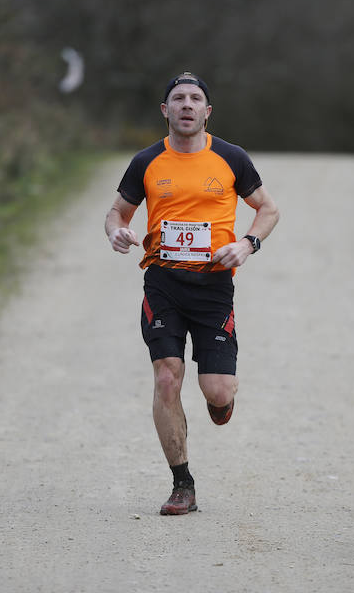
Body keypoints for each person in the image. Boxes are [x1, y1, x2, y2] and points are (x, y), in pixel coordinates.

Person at [104, 72, 279, 515]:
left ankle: (221, 402)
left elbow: (268, 209)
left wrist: (246, 244)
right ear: (165, 111)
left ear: (207, 112)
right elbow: (116, 212)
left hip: (214, 286)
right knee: (167, 375)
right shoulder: (146, 161)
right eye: (177, 99)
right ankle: (183, 483)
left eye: (194, 98)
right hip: (162, 281)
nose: (186, 105)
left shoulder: (231, 157)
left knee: (217, 392)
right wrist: (117, 232)